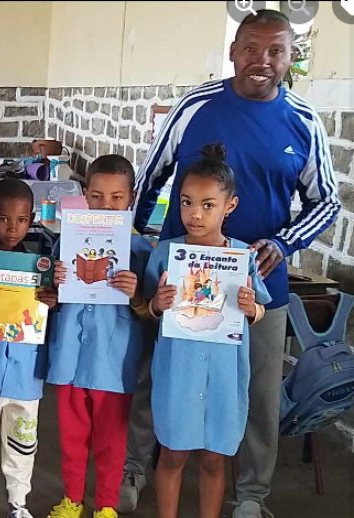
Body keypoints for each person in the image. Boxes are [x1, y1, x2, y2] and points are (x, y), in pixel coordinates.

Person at [129, 10, 340, 517]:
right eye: (250, 48)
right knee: (156, 379)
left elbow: (327, 201)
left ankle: (251, 496)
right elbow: (150, 176)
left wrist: (284, 243)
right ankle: (134, 472)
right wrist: (144, 244)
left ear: (292, 57)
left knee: (257, 392)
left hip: (258, 285)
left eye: (275, 51)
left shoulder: (304, 122)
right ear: (233, 51)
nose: (261, 61)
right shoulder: (196, 107)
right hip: (183, 276)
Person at [144, 144, 269, 518]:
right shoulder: (166, 253)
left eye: (208, 205)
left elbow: (258, 310)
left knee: (215, 457)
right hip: (178, 370)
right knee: (173, 452)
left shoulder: (242, 257)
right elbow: (148, 309)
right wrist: (157, 304)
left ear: (229, 206)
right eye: (186, 203)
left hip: (224, 374)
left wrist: (252, 310)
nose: (194, 214)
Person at [45, 156, 152, 518]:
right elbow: (52, 298)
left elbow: (149, 310)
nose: (106, 205)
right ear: (85, 197)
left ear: (131, 198)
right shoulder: (66, 241)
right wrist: (56, 281)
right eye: (97, 196)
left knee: (111, 441)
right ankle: (71, 501)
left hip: (113, 360)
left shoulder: (139, 251)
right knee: (72, 438)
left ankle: (106, 506)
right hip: (70, 357)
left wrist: (136, 292)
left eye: (116, 198)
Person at [0, 178, 57, 518]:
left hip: (26, 371)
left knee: (23, 438)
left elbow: (46, 315)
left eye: (21, 219)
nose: (12, 227)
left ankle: (19, 501)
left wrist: (50, 301)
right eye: (4, 218)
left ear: (31, 219)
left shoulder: (40, 269)